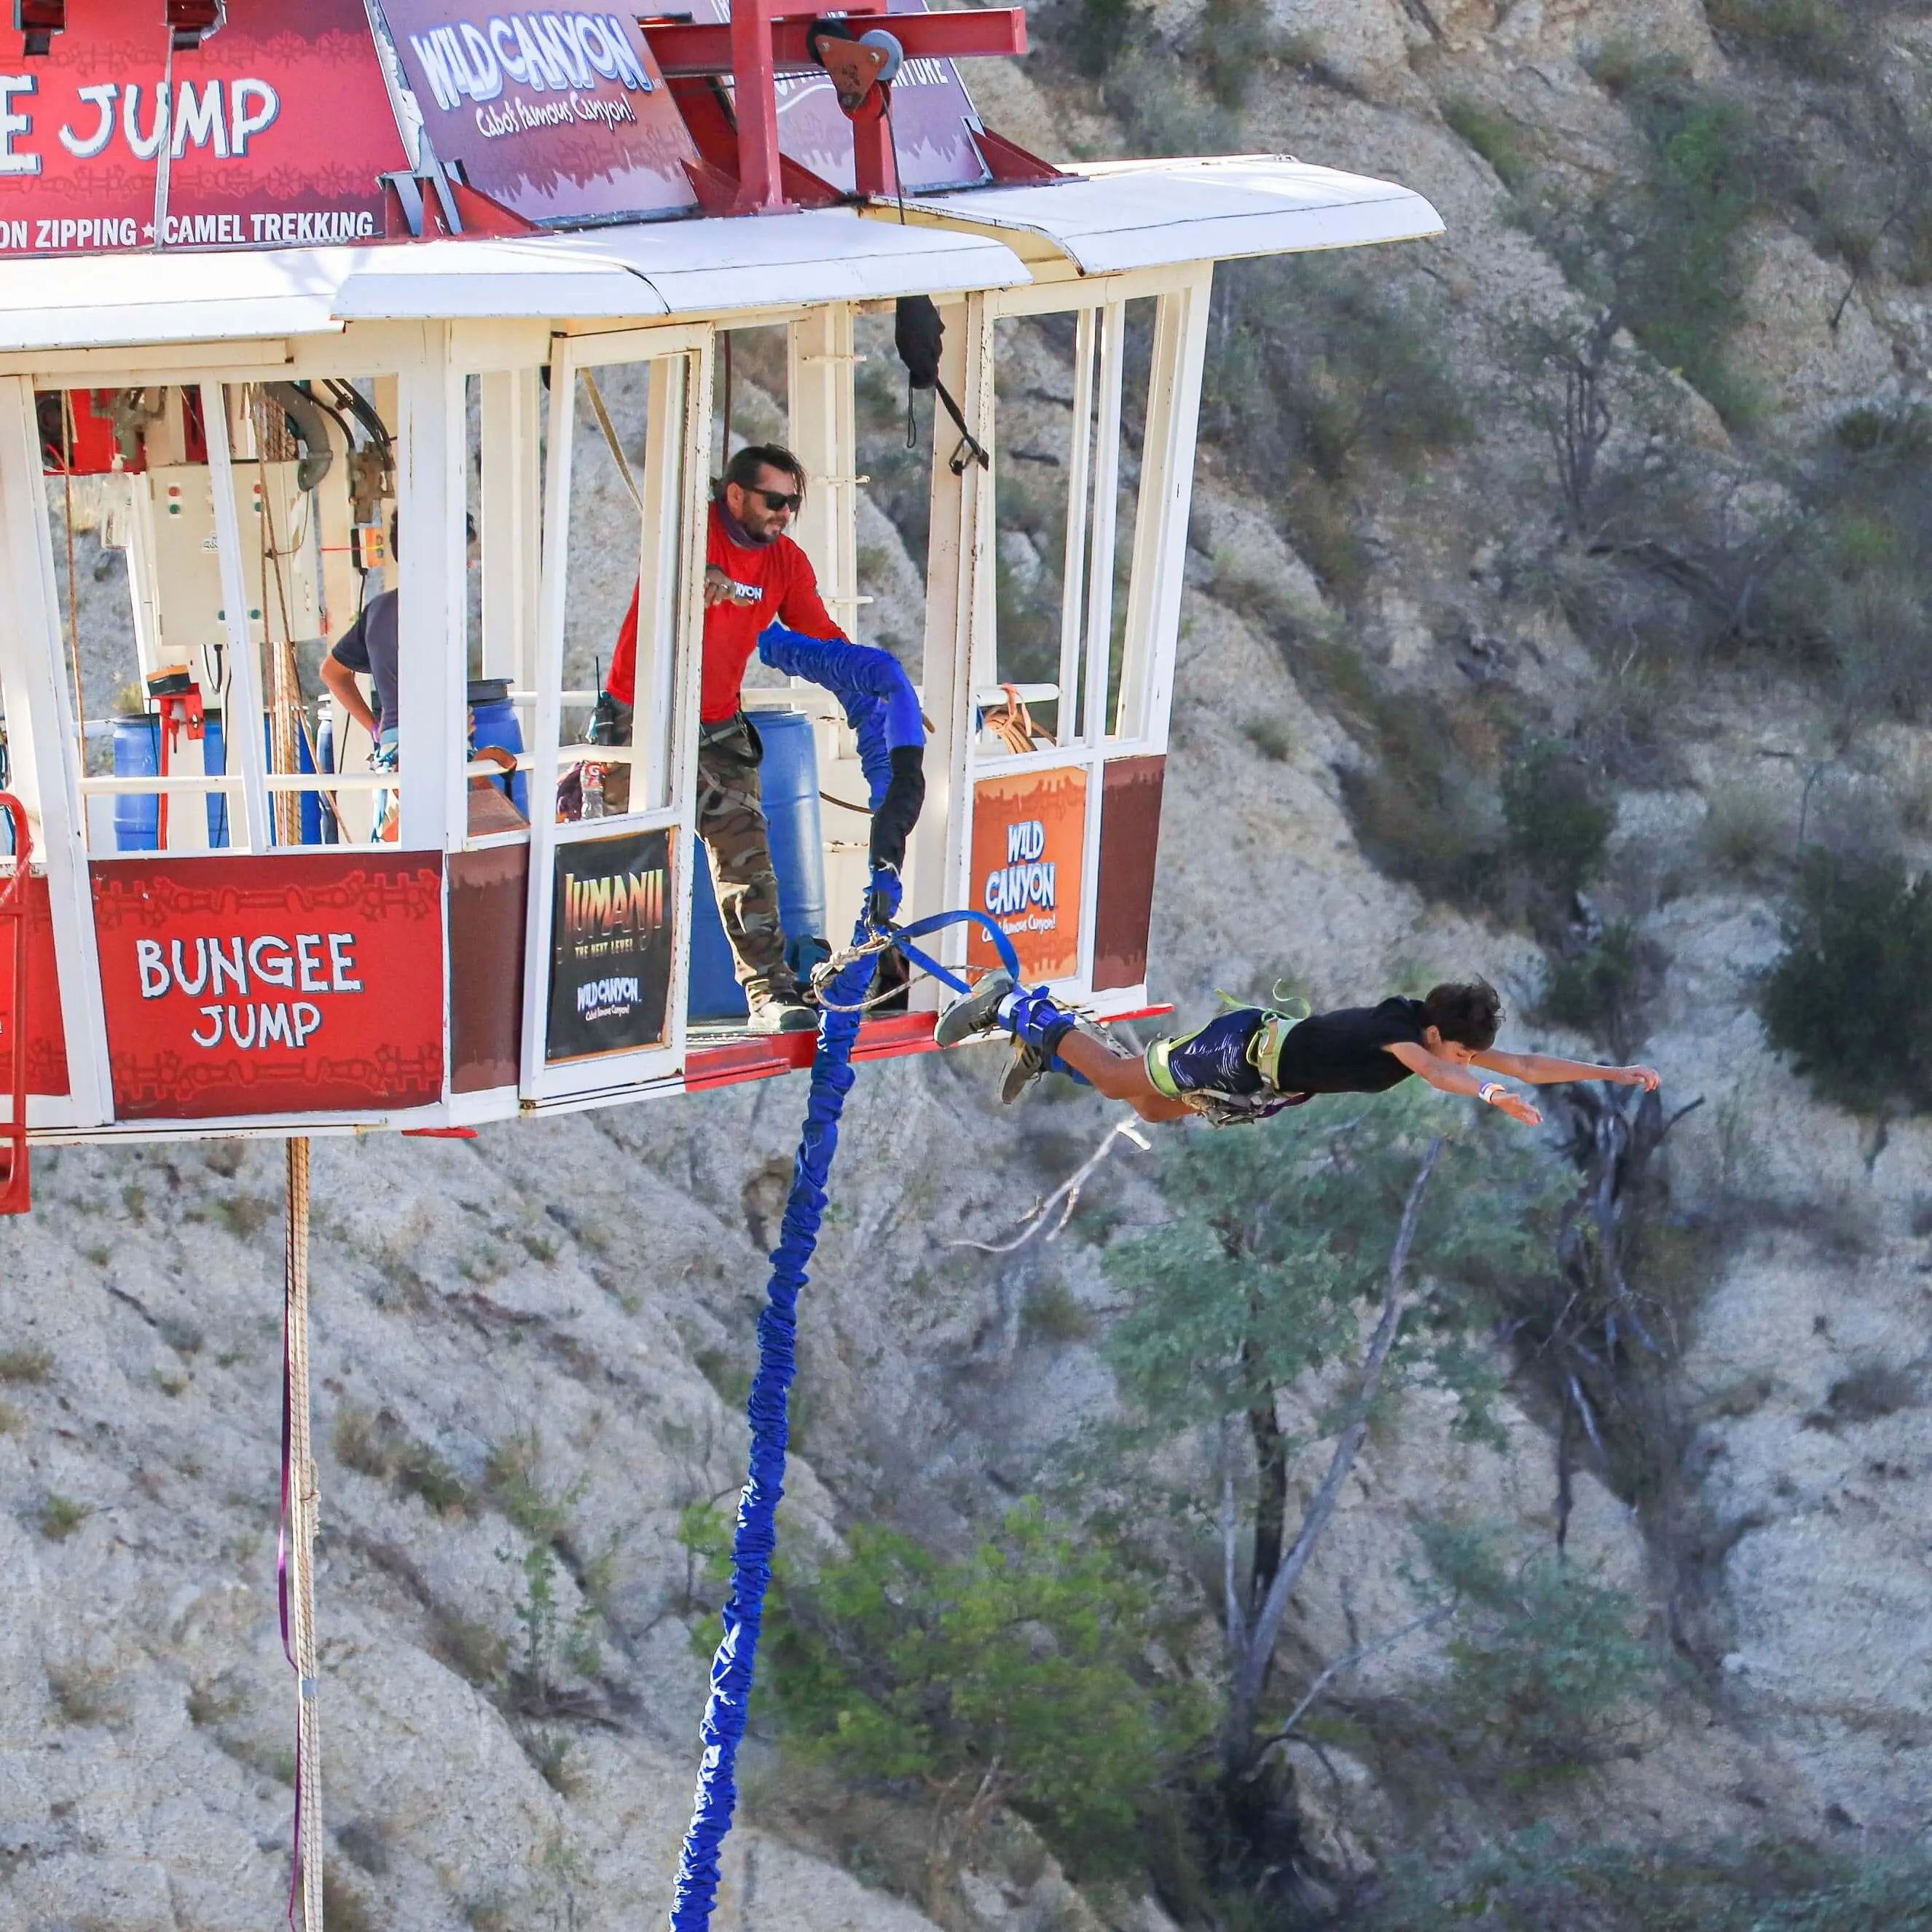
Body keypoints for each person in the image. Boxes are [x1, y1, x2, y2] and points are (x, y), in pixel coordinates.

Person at [599, 444, 921, 1034]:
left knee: (748, 860)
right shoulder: (691, 532)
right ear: (736, 495)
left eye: (793, 504)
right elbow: (680, 566)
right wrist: (707, 578)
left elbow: (820, 637)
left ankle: (770, 997)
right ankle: (597, 1005)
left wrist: (883, 688)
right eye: (775, 502)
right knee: (610, 866)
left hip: (717, 725)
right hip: (636, 720)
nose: (784, 515)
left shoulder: (785, 563)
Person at [935, 973, 1660, 1125]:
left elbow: (1527, 1063)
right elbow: (1440, 1073)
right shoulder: (1404, 1036)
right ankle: (1016, 1005)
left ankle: (1044, 1045)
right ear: (1438, 1034)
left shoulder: (1436, 1040)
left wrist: (1614, 1072)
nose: (1473, 1063)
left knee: (1154, 1113)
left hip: (1261, 1081)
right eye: (1467, 1055)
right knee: (1122, 1082)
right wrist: (1489, 1094)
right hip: (1241, 1050)